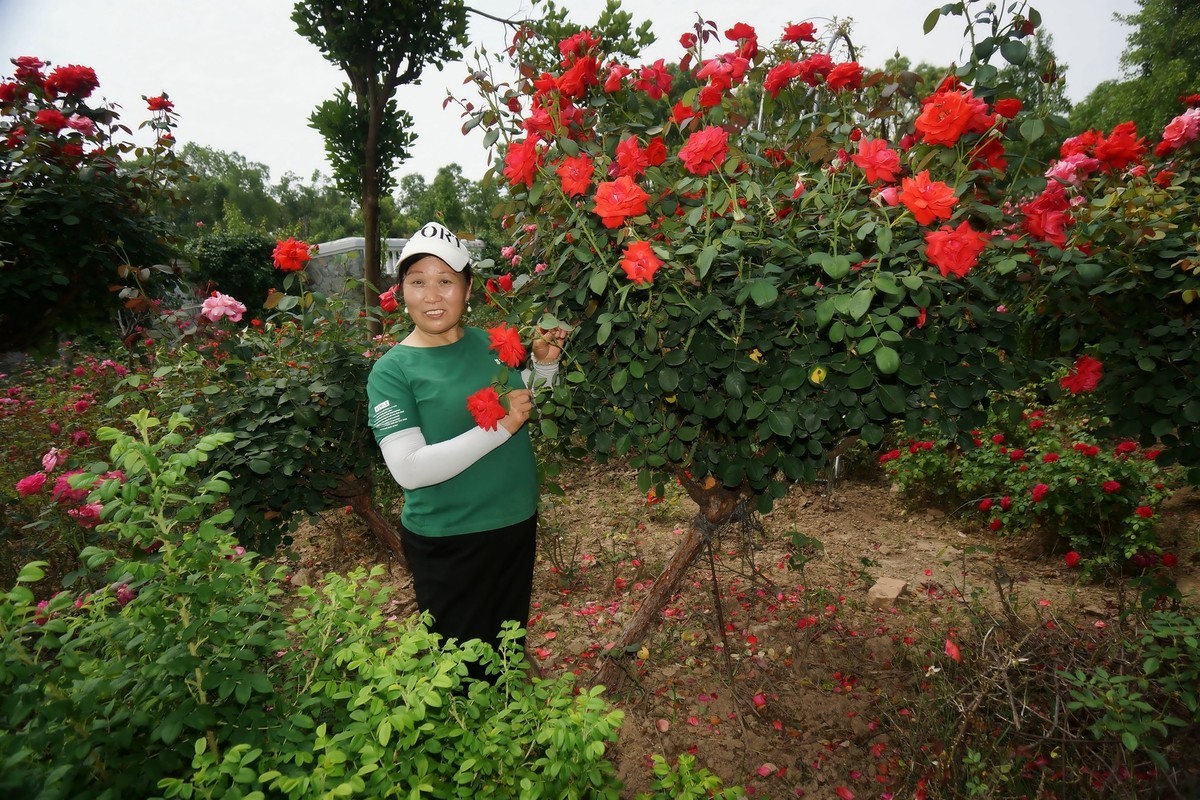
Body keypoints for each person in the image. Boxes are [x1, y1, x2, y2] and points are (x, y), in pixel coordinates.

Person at [366, 221, 564, 679]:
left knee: (506, 647)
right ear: (401, 292)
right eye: (417, 282)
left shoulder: (493, 344)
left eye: (445, 281)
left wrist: (545, 368)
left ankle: (512, 731)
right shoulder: (393, 371)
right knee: (463, 669)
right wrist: (501, 427)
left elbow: (527, 404)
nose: (431, 295)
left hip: (513, 521)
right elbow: (410, 470)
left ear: (468, 287)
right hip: (451, 537)